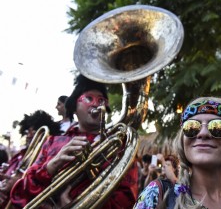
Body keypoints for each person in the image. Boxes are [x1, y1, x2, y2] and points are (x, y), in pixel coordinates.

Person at [10, 74, 138, 209]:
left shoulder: (120, 146)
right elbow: (20, 194)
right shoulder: (52, 141)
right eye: (89, 98)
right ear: (74, 107)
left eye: (101, 100)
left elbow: (127, 201)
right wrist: (52, 165)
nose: (96, 104)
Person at [134, 97, 221, 209]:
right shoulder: (157, 194)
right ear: (183, 142)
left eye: (217, 127)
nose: (203, 133)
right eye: (192, 127)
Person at [0, 110, 61, 208]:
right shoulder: (20, 155)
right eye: (27, 131)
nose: (28, 135)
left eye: (33, 131)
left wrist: (18, 182)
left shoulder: (51, 154)